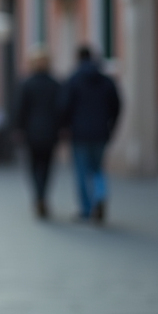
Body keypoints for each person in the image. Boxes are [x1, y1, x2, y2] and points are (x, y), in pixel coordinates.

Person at [60, 44, 122, 224]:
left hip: (79, 134)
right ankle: (100, 196)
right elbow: (117, 105)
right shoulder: (106, 80)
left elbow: (64, 106)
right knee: (98, 169)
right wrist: (111, 125)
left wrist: (65, 126)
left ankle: (86, 209)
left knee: (81, 172)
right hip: (101, 132)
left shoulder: (73, 79)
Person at [15, 48, 61, 219]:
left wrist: (18, 128)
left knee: (33, 167)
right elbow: (61, 109)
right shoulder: (55, 83)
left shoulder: (27, 83)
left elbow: (20, 108)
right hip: (50, 132)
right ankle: (43, 196)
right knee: (47, 166)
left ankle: (38, 196)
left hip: (31, 132)